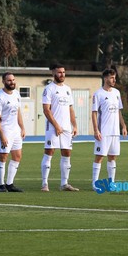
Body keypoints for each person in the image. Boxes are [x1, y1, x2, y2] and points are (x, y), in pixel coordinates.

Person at [40, 63, 79, 192]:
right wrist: (56, 125)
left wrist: (74, 125)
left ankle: (64, 184)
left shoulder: (68, 89)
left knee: (67, 153)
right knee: (49, 152)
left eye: (63, 72)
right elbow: (46, 110)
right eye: (59, 72)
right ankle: (44, 184)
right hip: (53, 127)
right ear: (53, 74)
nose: (62, 74)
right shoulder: (49, 89)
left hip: (67, 128)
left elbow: (71, 109)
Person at [91, 68, 128, 190]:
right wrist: (96, 130)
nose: (114, 80)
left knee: (112, 157)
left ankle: (111, 182)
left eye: (115, 78)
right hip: (103, 131)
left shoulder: (116, 93)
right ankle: (95, 183)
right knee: (99, 156)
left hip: (115, 132)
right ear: (105, 78)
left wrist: (123, 126)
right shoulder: (98, 94)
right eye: (112, 78)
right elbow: (94, 113)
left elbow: (118, 111)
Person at [0, 72, 25, 192]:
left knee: (17, 156)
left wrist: (22, 128)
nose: (12, 82)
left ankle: (10, 184)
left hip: (16, 130)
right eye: (9, 80)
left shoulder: (16, 94)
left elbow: (18, 112)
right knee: (3, 156)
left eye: (13, 80)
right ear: (3, 82)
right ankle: (1, 185)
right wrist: (2, 135)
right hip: (5, 130)